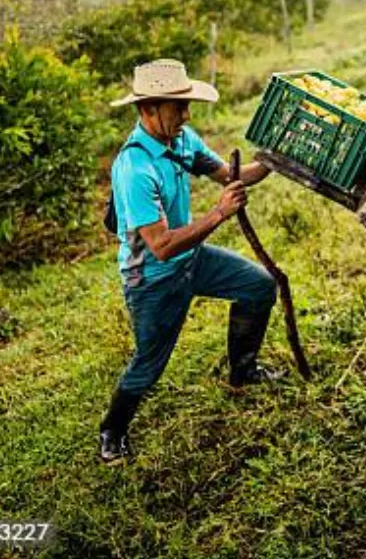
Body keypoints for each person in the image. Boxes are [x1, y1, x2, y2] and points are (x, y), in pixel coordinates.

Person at [98, 59, 281, 464]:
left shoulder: (181, 141)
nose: (186, 114)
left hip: (192, 259)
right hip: (154, 278)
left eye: (186, 105)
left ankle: (243, 371)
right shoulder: (134, 168)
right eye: (177, 107)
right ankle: (112, 432)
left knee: (259, 285)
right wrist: (218, 214)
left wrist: (275, 159)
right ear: (148, 108)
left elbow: (233, 174)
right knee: (148, 364)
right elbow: (161, 245)